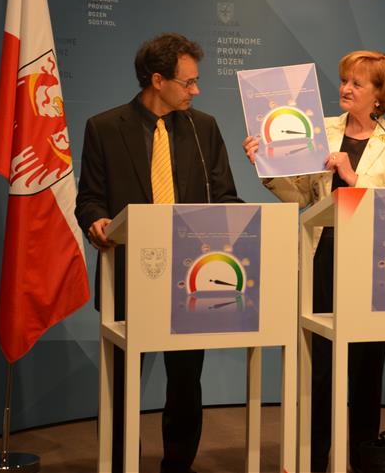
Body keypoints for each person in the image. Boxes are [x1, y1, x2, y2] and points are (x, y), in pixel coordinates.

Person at [76, 33, 241, 473]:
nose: (196, 90)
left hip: (192, 279)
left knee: (186, 384)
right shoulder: (104, 127)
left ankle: (178, 465)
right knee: (120, 385)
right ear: (157, 80)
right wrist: (95, 221)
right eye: (188, 82)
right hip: (128, 276)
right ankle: (119, 463)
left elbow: (225, 196)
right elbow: (89, 198)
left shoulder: (204, 128)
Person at [243, 50, 385, 473]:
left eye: (357, 83)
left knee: (367, 367)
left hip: (372, 264)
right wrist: (266, 165)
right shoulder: (322, 130)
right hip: (325, 255)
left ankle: (363, 460)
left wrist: (353, 178)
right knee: (320, 367)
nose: (346, 88)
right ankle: (314, 459)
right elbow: (300, 196)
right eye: (345, 80)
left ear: (379, 94)